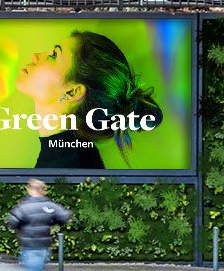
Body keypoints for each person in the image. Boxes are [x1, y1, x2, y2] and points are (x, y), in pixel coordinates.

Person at [15, 31, 163, 170]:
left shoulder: (68, 168)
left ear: (72, 92)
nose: (35, 56)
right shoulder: (67, 157)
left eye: (53, 55)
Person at [6, 179, 71, 271]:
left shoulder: (24, 207)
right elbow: (64, 216)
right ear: (43, 191)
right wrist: (52, 222)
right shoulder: (49, 206)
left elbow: (13, 222)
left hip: (28, 246)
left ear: (29, 189)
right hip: (44, 246)